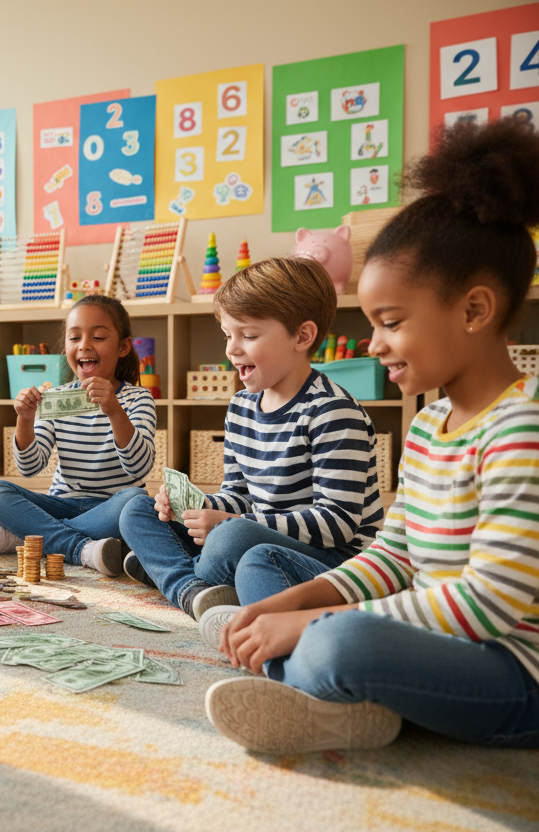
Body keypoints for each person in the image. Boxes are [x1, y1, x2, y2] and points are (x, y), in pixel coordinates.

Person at [205, 118, 539, 754]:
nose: (374, 343)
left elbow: (489, 606)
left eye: (391, 322)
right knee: (265, 572)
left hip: (514, 674)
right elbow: (394, 559)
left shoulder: (520, 429)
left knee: (338, 640)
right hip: (437, 641)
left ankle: (315, 684)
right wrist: (291, 605)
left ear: (473, 311)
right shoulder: (430, 426)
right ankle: (331, 694)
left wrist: (310, 622)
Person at [119, 258, 382, 620]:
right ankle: (192, 589)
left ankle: (172, 573)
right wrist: (197, 508)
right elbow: (239, 495)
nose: (231, 349)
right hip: (254, 534)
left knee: (232, 542)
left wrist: (230, 526)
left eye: (249, 335)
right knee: (136, 509)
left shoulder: (332, 412)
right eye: (228, 334)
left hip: (329, 560)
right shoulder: (241, 406)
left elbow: (336, 524)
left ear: (301, 337)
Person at [0, 294, 155, 576]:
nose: (84, 345)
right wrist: (25, 420)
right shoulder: (57, 398)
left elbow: (139, 467)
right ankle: (81, 548)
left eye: (98, 336)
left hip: (110, 508)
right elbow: (29, 467)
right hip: (60, 505)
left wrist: (114, 410)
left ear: (123, 347)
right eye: (74, 338)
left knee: (137, 501)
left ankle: (30, 535)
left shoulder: (137, 398)